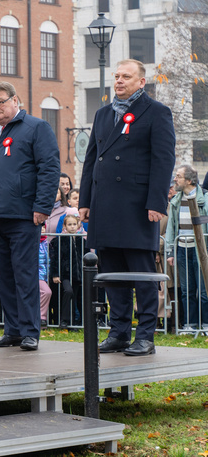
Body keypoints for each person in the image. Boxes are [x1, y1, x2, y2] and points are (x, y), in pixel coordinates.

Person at [79, 59, 176, 356]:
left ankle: (145, 335)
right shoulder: (103, 114)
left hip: (138, 207)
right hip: (105, 205)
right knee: (113, 273)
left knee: (141, 275)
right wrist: (84, 201)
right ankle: (119, 332)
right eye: (116, 76)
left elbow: (163, 160)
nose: (119, 81)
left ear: (141, 81)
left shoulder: (157, 112)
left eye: (126, 76)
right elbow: (91, 160)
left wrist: (157, 202)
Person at [0, 82, 60, 351]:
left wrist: (42, 207)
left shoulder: (36, 127)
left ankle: (31, 330)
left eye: (0, 102)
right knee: (3, 277)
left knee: (25, 274)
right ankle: (13, 330)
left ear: (15, 100)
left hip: (23, 215)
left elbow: (49, 168)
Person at [165, 164, 208, 330]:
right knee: (186, 290)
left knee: (204, 289)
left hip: (201, 251)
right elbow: (171, 228)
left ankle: (205, 324)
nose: (175, 179)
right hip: (182, 249)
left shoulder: (204, 198)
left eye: (178, 176)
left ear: (189, 180)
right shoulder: (175, 201)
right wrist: (170, 252)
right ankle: (190, 324)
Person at [49, 210, 84, 328]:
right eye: (69, 224)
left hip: (78, 274)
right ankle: (64, 320)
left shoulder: (82, 240)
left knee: (74, 297)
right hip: (65, 274)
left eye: (74, 224)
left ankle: (72, 323)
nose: (72, 227)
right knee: (68, 291)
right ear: (64, 226)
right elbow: (55, 258)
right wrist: (55, 274)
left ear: (78, 225)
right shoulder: (60, 239)